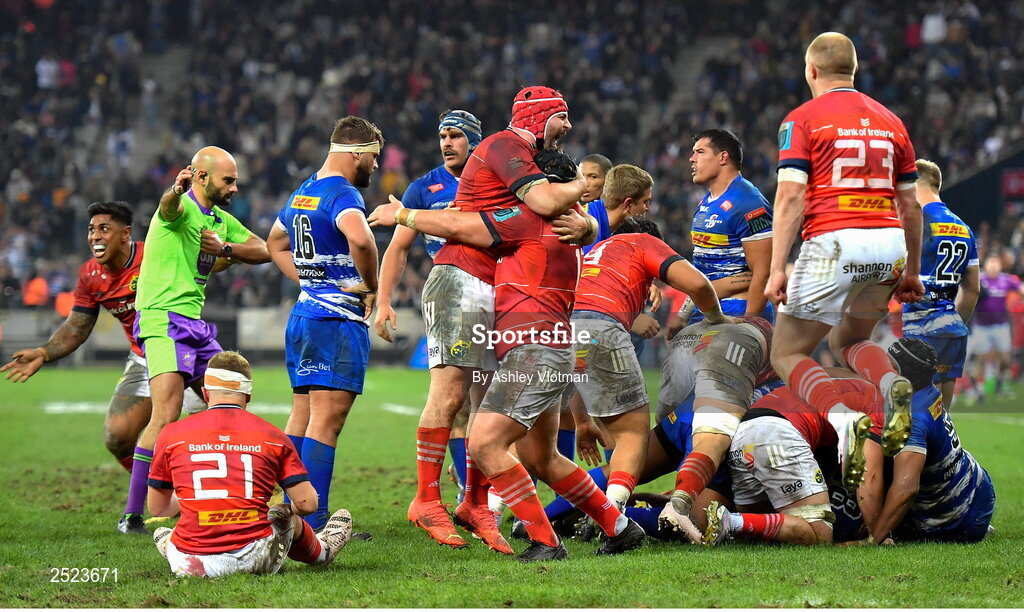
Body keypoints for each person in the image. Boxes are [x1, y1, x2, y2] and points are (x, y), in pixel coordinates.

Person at [370, 171, 644, 561]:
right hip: (552, 348)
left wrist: (404, 214)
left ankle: (546, 542)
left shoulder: (529, 222)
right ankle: (619, 526)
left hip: (532, 350)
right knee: (542, 458)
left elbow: (455, 223)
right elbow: (594, 216)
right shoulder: (572, 227)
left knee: (484, 442)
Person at [386, 86, 593, 551]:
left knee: (482, 403)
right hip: (460, 279)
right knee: (452, 392)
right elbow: (485, 220)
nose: (568, 128)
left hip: (488, 289)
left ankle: (475, 501)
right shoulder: (506, 146)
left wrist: (590, 222)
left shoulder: (523, 162)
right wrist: (584, 185)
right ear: (541, 117)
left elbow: (554, 215)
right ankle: (424, 499)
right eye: (562, 118)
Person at [766, 32, 924, 461]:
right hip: (889, 244)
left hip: (834, 242)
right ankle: (892, 385)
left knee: (788, 351)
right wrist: (911, 271)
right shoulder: (892, 121)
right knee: (848, 341)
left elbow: (791, 197)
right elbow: (910, 205)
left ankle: (842, 421)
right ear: (854, 71)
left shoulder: (801, 119)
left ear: (811, 71)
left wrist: (778, 267)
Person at [123, 146, 271, 534]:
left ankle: (226, 495)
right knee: (166, 414)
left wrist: (226, 249)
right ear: (201, 178)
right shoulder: (181, 209)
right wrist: (175, 189)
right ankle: (133, 515)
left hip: (195, 325)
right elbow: (167, 207)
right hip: (162, 318)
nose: (235, 187)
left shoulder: (220, 220)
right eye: (228, 180)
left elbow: (264, 249)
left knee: (233, 395)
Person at [1, 202, 200, 469]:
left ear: (125, 234)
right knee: (117, 436)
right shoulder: (90, 275)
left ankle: (254, 489)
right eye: (91, 229)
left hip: (185, 346)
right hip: (145, 356)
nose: (95, 236)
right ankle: (166, 492)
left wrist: (222, 252)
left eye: (104, 229)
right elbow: (77, 327)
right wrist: (43, 353)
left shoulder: (154, 252)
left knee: (224, 421)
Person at [266, 116, 383, 531]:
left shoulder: (305, 191)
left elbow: (273, 243)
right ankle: (313, 523)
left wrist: (309, 280)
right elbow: (362, 239)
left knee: (302, 414)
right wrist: (371, 286)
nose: (375, 167)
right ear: (357, 153)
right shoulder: (343, 192)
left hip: (303, 316)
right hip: (335, 321)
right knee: (326, 420)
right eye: (373, 158)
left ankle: (287, 509)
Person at [569, 216, 732, 514]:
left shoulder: (593, 253)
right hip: (604, 328)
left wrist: (581, 421)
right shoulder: (642, 241)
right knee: (634, 437)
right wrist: (717, 319)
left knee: (614, 439)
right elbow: (697, 283)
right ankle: (613, 519)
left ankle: (554, 513)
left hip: (563, 329)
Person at [148, 351, 353, 577]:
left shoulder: (170, 434)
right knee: (283, 515)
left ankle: (172, 545)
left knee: (185, 522)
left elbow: (158, 508)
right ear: (248, 396)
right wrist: (285, 508)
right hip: (253, 556)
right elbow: (307, 503)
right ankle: (323, 551)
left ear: (205, 393)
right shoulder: (272, 435)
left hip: (187, 560)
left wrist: (197, 499)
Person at [374, 110, 483, 503]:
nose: (447, 143)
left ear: (473, 140)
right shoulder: (425, 187)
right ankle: (467, 492)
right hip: (450, 297)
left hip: (498, 295)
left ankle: (484, 483)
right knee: (455, 402)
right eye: (443, 136)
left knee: (499, 399)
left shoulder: (495, 179)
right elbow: (398, 249)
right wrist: (383, 300)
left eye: (456, 136)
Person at [858, 338, 995, 544]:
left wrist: (875, 538)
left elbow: (906, 488)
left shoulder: (911, 417)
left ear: (902, 373)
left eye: (889, 365)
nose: (883, 370)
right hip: (980, 491)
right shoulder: (925, 389)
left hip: (954, 521)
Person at [666, 128, 773, 338]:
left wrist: (750, 324)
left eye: (700, 152)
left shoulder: (749, 202)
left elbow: (762, 271)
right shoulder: (705, 202)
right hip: (706, 312)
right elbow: (704, 269)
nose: (691, 159)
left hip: (736, 313)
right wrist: (684, 313)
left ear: (723, 157)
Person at [901, 159, 980, 410]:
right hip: (953, 331)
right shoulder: (964, 228)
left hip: (921, 332)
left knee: (914, 419)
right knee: (941, 419)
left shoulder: (916, 222)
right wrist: (951, 321)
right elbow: (973, 289)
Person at [968, 254, 1022, 402]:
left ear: (1000, 266)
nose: (993, 266)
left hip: (1001, 325)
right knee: (982, 359)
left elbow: (1021, 288)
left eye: (995, 263)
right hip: (982, 326)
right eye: (990, 263)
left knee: (1006, 359)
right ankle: (980, 390)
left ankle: (999, 379)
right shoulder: (980, 280)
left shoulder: (1006, 279)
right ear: (985, 265)